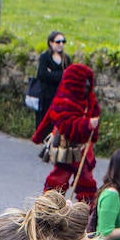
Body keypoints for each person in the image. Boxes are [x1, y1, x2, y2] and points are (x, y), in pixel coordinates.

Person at [29, 63, 100, 204]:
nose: (86, 88)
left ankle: (86, 210)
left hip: (84, 146)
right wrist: (87, 124)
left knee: (86, 180)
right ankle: (49, 207)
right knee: (59, 178)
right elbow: (63, 122)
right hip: (66, 144)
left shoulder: (89, 98)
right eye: (83, 85)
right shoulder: (64, 99)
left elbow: (94, 111)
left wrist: (92, 127)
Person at [33, 31, 69, 128]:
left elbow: (69, 76)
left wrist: (51, 73)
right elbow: (42, 75)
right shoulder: (45, 57)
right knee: (45, 122)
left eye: (63, 41)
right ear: (51, 43)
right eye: (58, 42)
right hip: (45, 96)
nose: (61, 44)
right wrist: (61, 74)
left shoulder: (66, 58)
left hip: (60, 96)